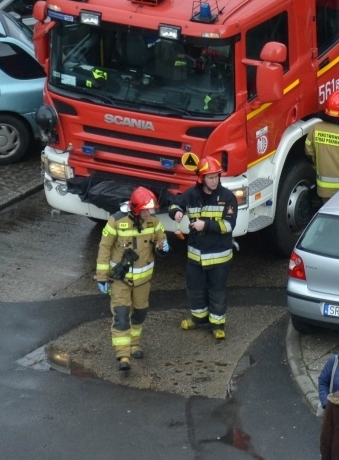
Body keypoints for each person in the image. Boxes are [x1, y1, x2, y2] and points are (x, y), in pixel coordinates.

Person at [94, 187, 170, 372]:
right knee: (121, 315)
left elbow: (161, 239)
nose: (148, 214)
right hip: (121, 280)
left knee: (140, 313)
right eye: (145, 210)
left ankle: (135, 344)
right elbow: (104, 248)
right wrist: (102, 277)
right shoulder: (116, 221)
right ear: (136, 208)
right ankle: (123, 355)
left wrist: (163, 248)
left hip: (143, 281)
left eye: (150, 210)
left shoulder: (153, 221)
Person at [168, 155, 238, 341]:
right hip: (196, 256)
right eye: (210, 177)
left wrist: (205, 225)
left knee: (217, 291)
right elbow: (174, 204)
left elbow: (229, 225)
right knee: (195, 289)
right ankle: (198, 319)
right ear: (201, 178)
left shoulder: (227, 197)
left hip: (219, 256)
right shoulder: (192, 194)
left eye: (216, 177)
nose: (214, 181)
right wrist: (177, 212)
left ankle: (218, 325)